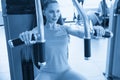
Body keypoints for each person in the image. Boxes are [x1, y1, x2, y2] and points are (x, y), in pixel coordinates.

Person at [19, 0, 105, 80]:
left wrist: (94, 30)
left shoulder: (64, 28)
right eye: (51, 12)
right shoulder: (39, 30)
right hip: (46, 73)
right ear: (44, 12)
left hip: (66, 71)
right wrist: (26, 35)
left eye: (57, 11)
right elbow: (30, 34)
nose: (55, 15)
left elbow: (81, 33)